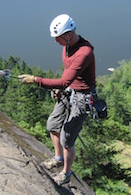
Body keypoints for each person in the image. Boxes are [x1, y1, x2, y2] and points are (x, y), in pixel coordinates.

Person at [18, 14, 96, 186]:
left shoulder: (84, 52)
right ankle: (58, 158)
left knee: (67, 138)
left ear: (68, 34)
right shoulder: (67, 46)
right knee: (53, 125)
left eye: (58, 38)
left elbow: (64, 81)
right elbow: (67, 74)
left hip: (82, 98)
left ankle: (66, 174)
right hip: (68, 91)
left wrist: (35, 80)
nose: (55, 42)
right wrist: (59, 88)